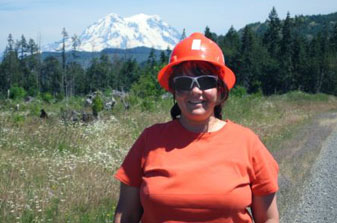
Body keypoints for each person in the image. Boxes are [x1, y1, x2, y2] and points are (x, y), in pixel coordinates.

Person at [114, 32, 279, 223]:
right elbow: (126, 215)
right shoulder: (149, 140)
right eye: (184, 83)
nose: (195, 91)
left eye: (206, 81)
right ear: (175, 91)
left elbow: (268, 218)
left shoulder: (247, 142)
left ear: (220, 90)